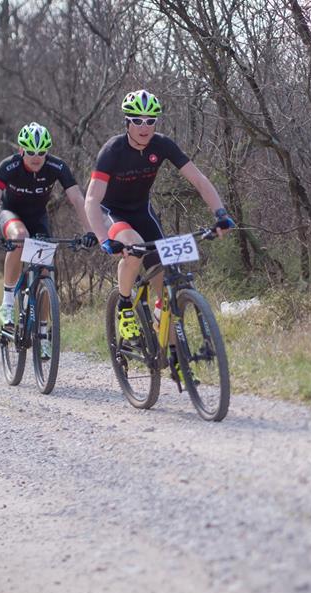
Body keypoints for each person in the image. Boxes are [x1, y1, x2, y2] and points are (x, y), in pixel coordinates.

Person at [84, 89, 235, 380]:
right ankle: (125, 306)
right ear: (127, 122)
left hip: (142, 212)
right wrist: (104, 239)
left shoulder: (162, 145)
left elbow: (199, 181)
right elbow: (91, 199)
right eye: (138, 120)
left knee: (165, 280)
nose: (144, 127)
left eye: (151, 121)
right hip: (111, 212)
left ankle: (176, 355)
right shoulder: (113, 151)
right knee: (135, 246)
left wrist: (220, 215)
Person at [0, 122, 97, 356]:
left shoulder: (56, 166)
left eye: (41, 153)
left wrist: (90, 231)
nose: (36, 157)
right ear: (21, 150)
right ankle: (7, 304)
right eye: (30, 152)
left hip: (38, 218)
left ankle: (43, 332)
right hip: (10, 214)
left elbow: (76, 199)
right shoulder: (9, 166)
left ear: (47, 152)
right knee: (20, 238)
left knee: (44, 273)